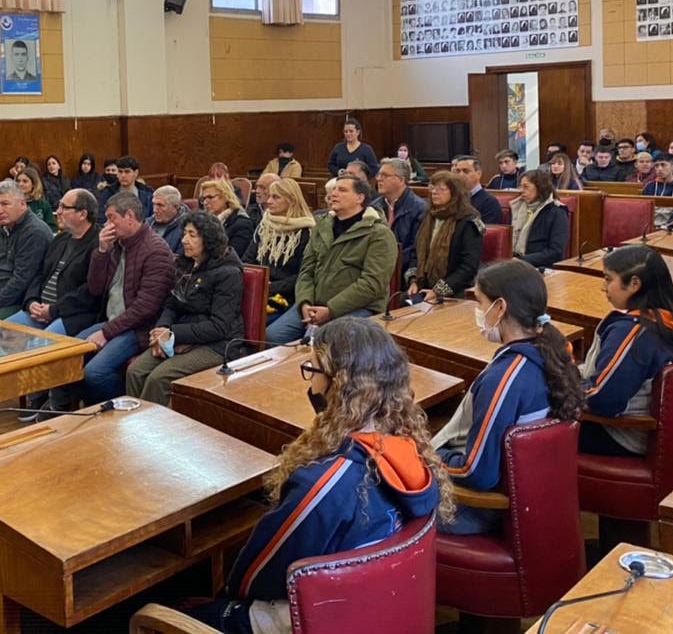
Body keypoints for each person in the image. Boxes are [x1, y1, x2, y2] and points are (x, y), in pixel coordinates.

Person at [181, 319, 448, 632]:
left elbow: (254, 577)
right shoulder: (412, 455)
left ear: (339, 385)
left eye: (313, 369)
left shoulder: (324, 484)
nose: (311, 385)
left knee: (168, 608)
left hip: (314, 619)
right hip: (376, 612)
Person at [432, 259, 584, 534]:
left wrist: (429, 455)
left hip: (488, 509)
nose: (478, 312)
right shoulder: (555, 351)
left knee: (384, 499)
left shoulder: (505, 378)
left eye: (479, 303)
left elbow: (476, 472)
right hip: (534, 496)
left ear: (500, 307)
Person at [578, 246, 673, 456]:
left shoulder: (633, 331)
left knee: (534, 416)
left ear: (634, 284)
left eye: (608, 279)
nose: (604, 288)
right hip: (668, 434)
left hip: (622, 435)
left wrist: (561, 385)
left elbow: (603, 400)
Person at [51, 192, 175, 409]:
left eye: (111, 218)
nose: (107, 225)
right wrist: (101, 251)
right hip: (112, 320)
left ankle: (120, 408)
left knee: (95, 372)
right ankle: (83, 409)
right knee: (67, 357)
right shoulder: (118, 245)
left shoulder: (156, 250)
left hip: (140, 328)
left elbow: (145, 308)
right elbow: (96, 288)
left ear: (129, 215)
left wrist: (106, 332)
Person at [126, 211, 244, 405]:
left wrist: (174, 334)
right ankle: (135, 420)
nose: (184, 240)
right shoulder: (186, 264)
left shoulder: (228, 273)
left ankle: (155, 430)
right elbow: (172, 303)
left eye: (192, 235)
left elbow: (220, 326)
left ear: (209, 239)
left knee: (159, 378)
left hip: (217, 345)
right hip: (181, 335)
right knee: (135, 371)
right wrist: (163, 329)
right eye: (184, 234)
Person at [265, 176, 396, 344]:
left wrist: (331, 310)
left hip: (356, 308)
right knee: (273, 336)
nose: (334, 194)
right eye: (334, 189)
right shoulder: (322, 226)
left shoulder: (379, 234)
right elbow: (306, 271)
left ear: (360, 198)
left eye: (342, 190)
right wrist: (304, 303)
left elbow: (372, 284)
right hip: (313, 304)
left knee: (328, 343)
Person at [6, 187, 101, 338]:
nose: (58, 211)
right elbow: (40, 274)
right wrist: (31, 302)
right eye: (59, 206)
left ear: (82, 214)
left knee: (44, 343)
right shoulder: (60, 239)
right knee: (5, 331)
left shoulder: (98, 245)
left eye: (64, 207)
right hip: (40, 310)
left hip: (72, 314)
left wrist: (53, 310)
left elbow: (88, 292)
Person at [0, 179, 53, 320]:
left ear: (22, 204)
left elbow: (20, 282)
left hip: (17, 303)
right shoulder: (0, 227)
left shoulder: (35, 232)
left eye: (5, 204)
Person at [405, 172, 484, 303]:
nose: (434, 192)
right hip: (424, 285)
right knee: (404, 304)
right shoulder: (426, 216)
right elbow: (415, 254)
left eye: (441, 189)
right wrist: (414, 281)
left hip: (455, 289)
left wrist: (438, 291)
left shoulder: (468, 221)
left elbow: (468, 267)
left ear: (455, 193)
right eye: (433, 188)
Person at [250, 177, 316, 315]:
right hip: (259, 289)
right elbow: (248, 259)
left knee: (255, 318)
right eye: (269, 197)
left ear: (291, 200)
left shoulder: (306, 233)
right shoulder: (264, 227)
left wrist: (271, 287)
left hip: (287, 296)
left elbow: (303, 275)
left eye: (275, 197)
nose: (268, 202)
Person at [371, 158, 426, 281]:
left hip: (403, 270)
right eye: (379, 174)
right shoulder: (374, 207)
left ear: (401, 180)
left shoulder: (419, 208)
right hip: (376, 268)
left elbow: (416, 248)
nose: (379, 179)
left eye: (385, 175)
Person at [510, 170, 569, 269]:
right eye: (520, 186)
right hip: (514, 262)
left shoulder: (557, 212)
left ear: (540, 187)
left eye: (526, 187)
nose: (521, 190)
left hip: (539, 267)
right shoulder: (517, 207)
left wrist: (523, 260)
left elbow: (556, 252)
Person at [198, 179, 255, 259]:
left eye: (210, 197)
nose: (205, 202)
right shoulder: (202, 222)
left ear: (225, 197)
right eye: (203, 199)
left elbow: (232, 257)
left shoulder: (242, 224)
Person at [95, 155, 153, 220]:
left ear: (136, 173)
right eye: (120, 171)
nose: (123, 175)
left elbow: (151, 219)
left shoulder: (148, 194)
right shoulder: (107, 193)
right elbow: (100, 218)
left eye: (127, 172)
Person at [450, 155, 503, 225]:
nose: (460, 175)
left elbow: (488, 232)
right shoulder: (452, 198)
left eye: (466, 171)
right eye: (458, 171)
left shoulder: (489, 202)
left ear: (478, 174)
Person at [146, 185, 189, 253]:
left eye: (160, 205)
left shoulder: (187, 228)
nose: (154, 210)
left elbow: (180, 259)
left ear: (175, 207)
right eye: (154, 204)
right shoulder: (147, 223)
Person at [17, 165, 56, 231]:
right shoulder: (13, 204)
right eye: (18, 181)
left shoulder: (43, 204)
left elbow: (52, 227)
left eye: (25, 181)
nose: (20, 184)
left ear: (33, 184)